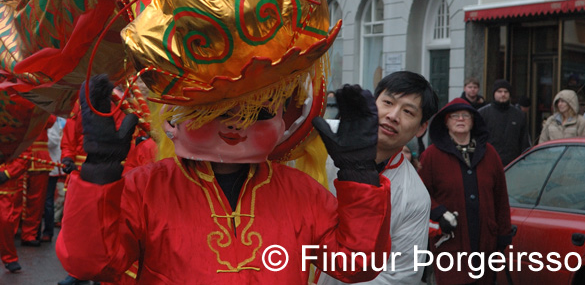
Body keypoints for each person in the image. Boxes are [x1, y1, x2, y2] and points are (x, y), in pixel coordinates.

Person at [56, 76, 391, 284]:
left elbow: (356, 264)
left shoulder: (301, 191)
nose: (235, 127)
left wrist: (359, 175)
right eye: (218, 111)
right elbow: (91, 264)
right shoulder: (147, 187)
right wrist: (98, 175)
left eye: (255, 113)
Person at [319, 71, 439, 285]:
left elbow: (400, 276)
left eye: (408, 112)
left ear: (421, 128)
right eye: (387, 102)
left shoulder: (415, 196)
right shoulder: (322, 139)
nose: (393, 115)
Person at [419, 98, 513, 285]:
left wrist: (503, 235)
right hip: (450, 242)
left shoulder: (490, 154)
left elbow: (500, 197)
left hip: (485, 242)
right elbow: (420, 194)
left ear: (473, 120)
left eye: (465, 115)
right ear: (446, 122)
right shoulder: (431, 155)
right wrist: (439, 213)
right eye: (454, 116)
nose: (460, 119)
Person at [19, 115, 56, 247]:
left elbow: (51, 120)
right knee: (14, 198)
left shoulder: (44, 101)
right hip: (19, 155)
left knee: (37, 200)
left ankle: (29, 233)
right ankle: (9, 232)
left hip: (38, 156)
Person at [478, 79, 530, 166]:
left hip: (513, 165)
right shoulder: (482, 114)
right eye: (499, 91)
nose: (503, 94)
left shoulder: (519, 115)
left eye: (506, 91)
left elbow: (524, 142)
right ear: (494, 93)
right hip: (488, 163)